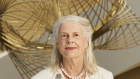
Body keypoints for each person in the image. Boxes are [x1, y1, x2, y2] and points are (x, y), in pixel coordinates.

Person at [31, 15, 114, 79]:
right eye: (64, 35)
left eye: (76, 35)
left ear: (86, 42)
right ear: (57, 43)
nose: (70, 40)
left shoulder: (105, 76)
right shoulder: (41, 77)